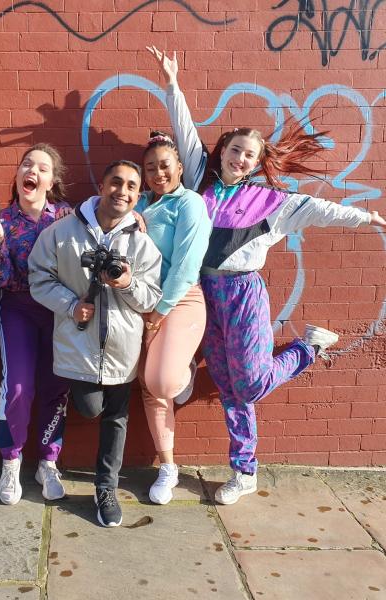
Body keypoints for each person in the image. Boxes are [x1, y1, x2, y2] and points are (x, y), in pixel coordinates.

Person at [148, 46, 386, 505]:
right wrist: (172, 84)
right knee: (225, 380)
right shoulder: (199, 179)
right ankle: (245, 472)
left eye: (249, 155)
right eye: (235, 149)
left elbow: (318, 210)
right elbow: (184, 129)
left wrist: (364, 219)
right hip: (200, 293)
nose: (240, 159)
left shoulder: (270, 202)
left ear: (257, 163)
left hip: (242, 295)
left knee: (251, 382)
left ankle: (307, 348)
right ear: (221, 152)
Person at [28, 160, 162, 526]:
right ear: (102, 186)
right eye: (116, 182)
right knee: (89, 408)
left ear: (138, 195)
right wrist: (71, 306)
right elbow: (38, 276)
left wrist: (127, 285)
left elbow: (151, 297)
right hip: (79, 343)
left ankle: (106, 488)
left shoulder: (142, 243)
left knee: (116, 418)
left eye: (132, 186)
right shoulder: (61, 232)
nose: (123, 191)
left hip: (122, 348)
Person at [0, 144, 71, 505]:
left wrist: (137, 219)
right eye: (26, 164)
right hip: (18, 308)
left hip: (59, 311)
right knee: (18, 387)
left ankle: (48, 462)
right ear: (18, 176)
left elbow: (109, 224)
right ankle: (11, 460)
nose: (32, 170)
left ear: (51, 181)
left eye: (42, 167)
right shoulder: (1, 221)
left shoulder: (67, 217)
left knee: (56, 387)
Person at [135, 131, 211, 505]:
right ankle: (168, 468)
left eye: (165, 165)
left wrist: (159, 313)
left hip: (180, 302)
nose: (158, 173)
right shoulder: (142, 204)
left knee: (163, 382)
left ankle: (185, 372)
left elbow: (186, 265)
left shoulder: (189, 204)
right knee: (149, 389)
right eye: (150, 168)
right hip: (140, 304)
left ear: (180, 167)